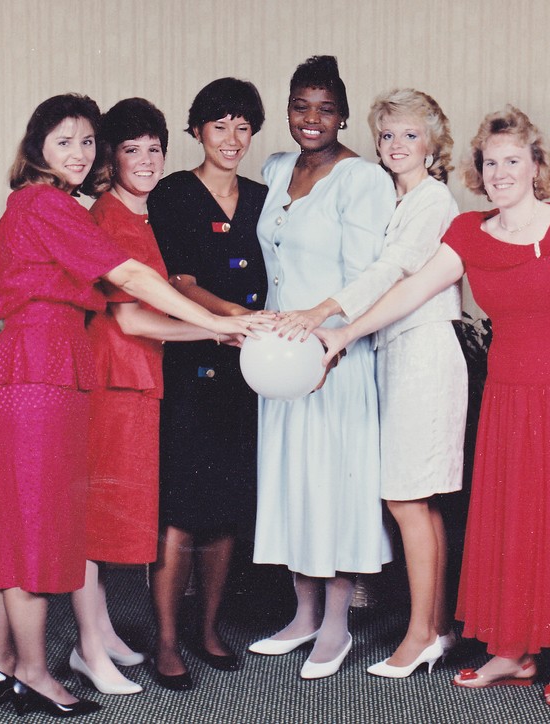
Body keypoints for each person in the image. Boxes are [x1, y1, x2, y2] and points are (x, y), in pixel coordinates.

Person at [317, 105, 550, 706]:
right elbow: (412, 290)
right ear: (478, 171)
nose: (500, 173)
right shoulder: (469, 233)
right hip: (509, 396)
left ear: (537, 166)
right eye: (490, 163)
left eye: (513, 161)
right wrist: (344, 333)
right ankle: (513, 651)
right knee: (514, 522)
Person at [0, 94, 261, 717]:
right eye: (64, 142)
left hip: (38, 363)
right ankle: (32, 673)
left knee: (18, 522)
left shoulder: (44, 204)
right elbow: (132, 280)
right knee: (36, 526)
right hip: (41, 368)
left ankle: (5, 661)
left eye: (86, 142)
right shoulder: (47, 205)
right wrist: (216, 323)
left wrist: (213, 323)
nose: (79, 154)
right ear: (37, 149)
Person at [279, 88, 466, 677]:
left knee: (407, 499)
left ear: (433, 144)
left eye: (410, 134)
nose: (396, 145)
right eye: (386, 135)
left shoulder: (433, 201)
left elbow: (390, 271)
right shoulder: (395, 197)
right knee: (417, 500)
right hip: (397, 352)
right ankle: (438, 628)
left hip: (424, 353)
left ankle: (419, 638)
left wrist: (327, 317)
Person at [70, 97, 251, 697]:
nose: (146, 161)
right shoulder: (110, 217)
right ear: (111, 158)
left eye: (154, 149)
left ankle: (101, 635)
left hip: (142, 378)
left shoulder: (142, 214)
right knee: (97, 521)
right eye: (132, 150)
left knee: (111, 518)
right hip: (118, 377)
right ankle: (88, 647)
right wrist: (217, 329)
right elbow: (132, 320)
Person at [247, 55, 395, 680]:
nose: (312, 119)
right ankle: (303, 616)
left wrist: (329, 338)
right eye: (301, 107)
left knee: (334, 486)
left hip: (335, 356)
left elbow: (370, 277)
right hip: (278, 361)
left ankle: (336, 625)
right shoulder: (276, 168)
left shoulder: (363, 180)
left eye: (326, 109)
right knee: (291, 482)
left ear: (344, 115)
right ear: (287, 110)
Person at [146, 78, 268, 691]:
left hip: (250, 369)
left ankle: (209, 629)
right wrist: (235, 318)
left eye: (243, 126)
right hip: (190, 363)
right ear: (197, 130)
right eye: (220, 125)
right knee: (180, 514)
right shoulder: (173, 193)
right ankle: (167, 641)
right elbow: (180, 282)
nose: (232, 138)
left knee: (226, 509)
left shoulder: (265, 197)